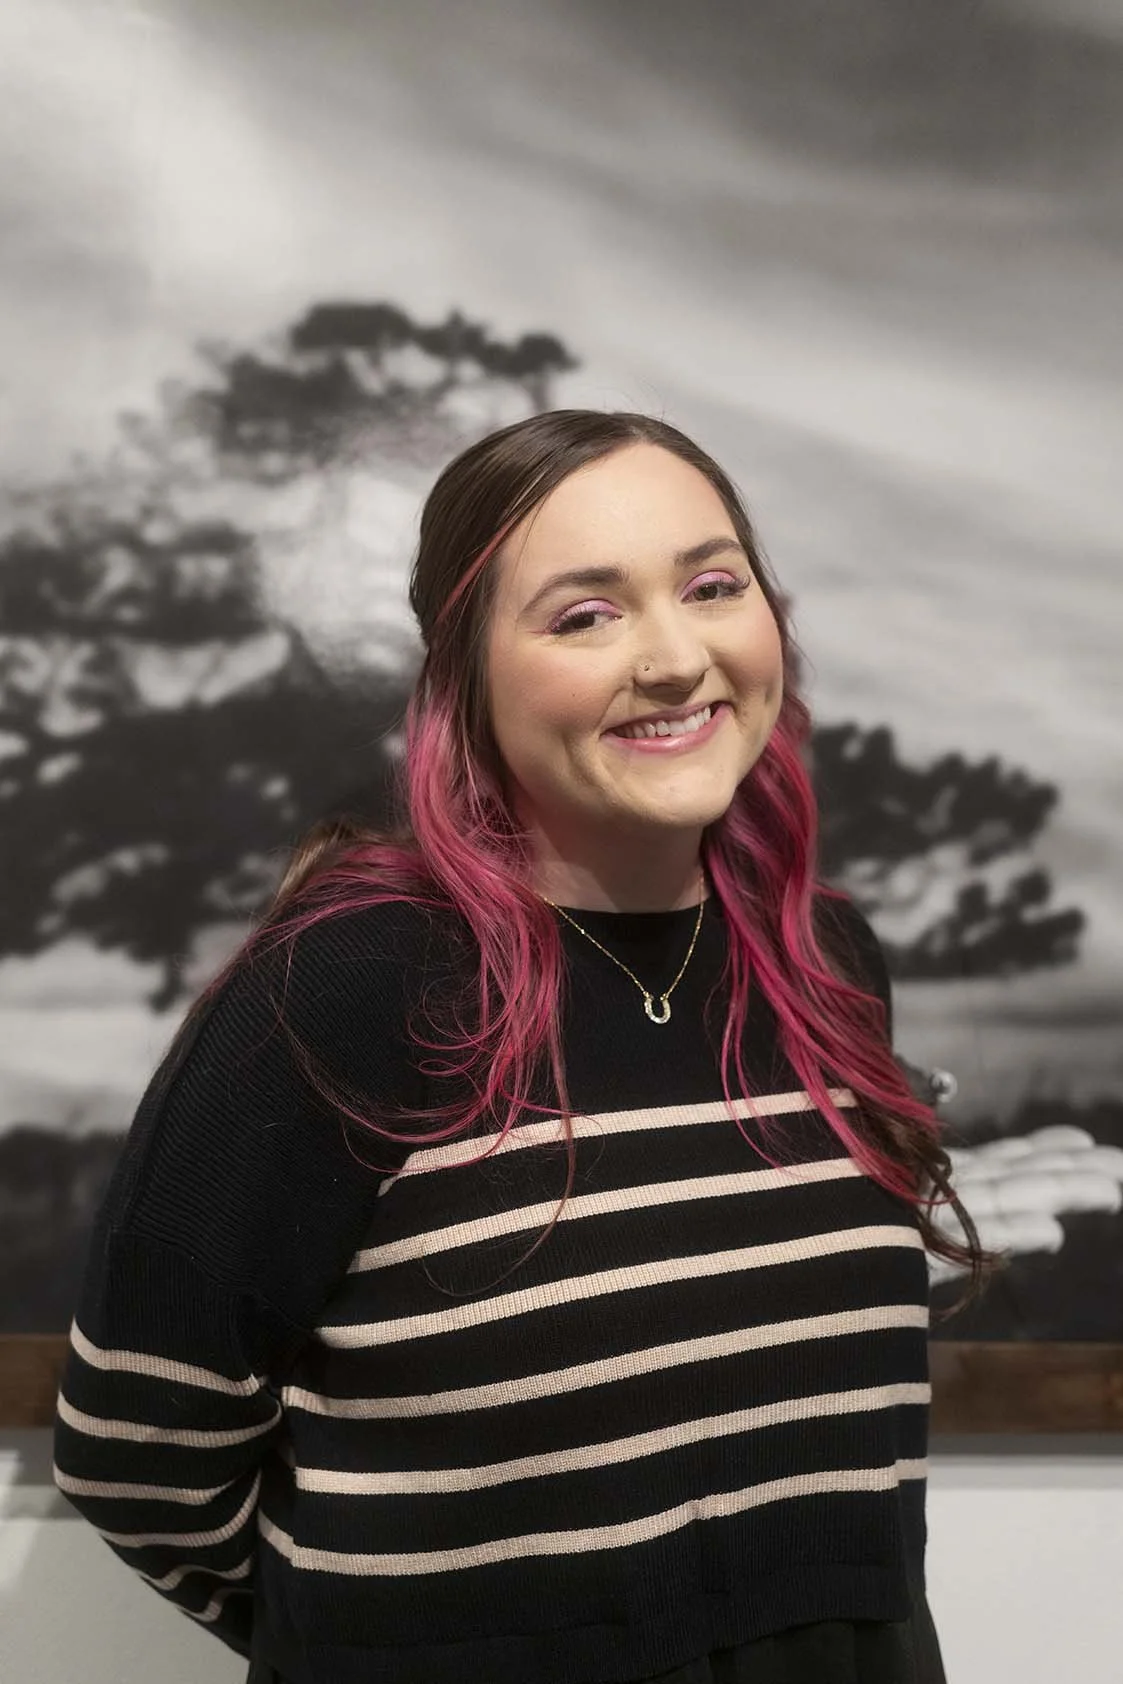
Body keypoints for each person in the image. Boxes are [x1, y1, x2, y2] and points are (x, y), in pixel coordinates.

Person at [53, 410, 996, 1683]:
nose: (673, 658)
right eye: (583, 615)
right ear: (467, 677)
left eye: (712, 586)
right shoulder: (346, 983)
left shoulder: (827, 961)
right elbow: (138, 1456)